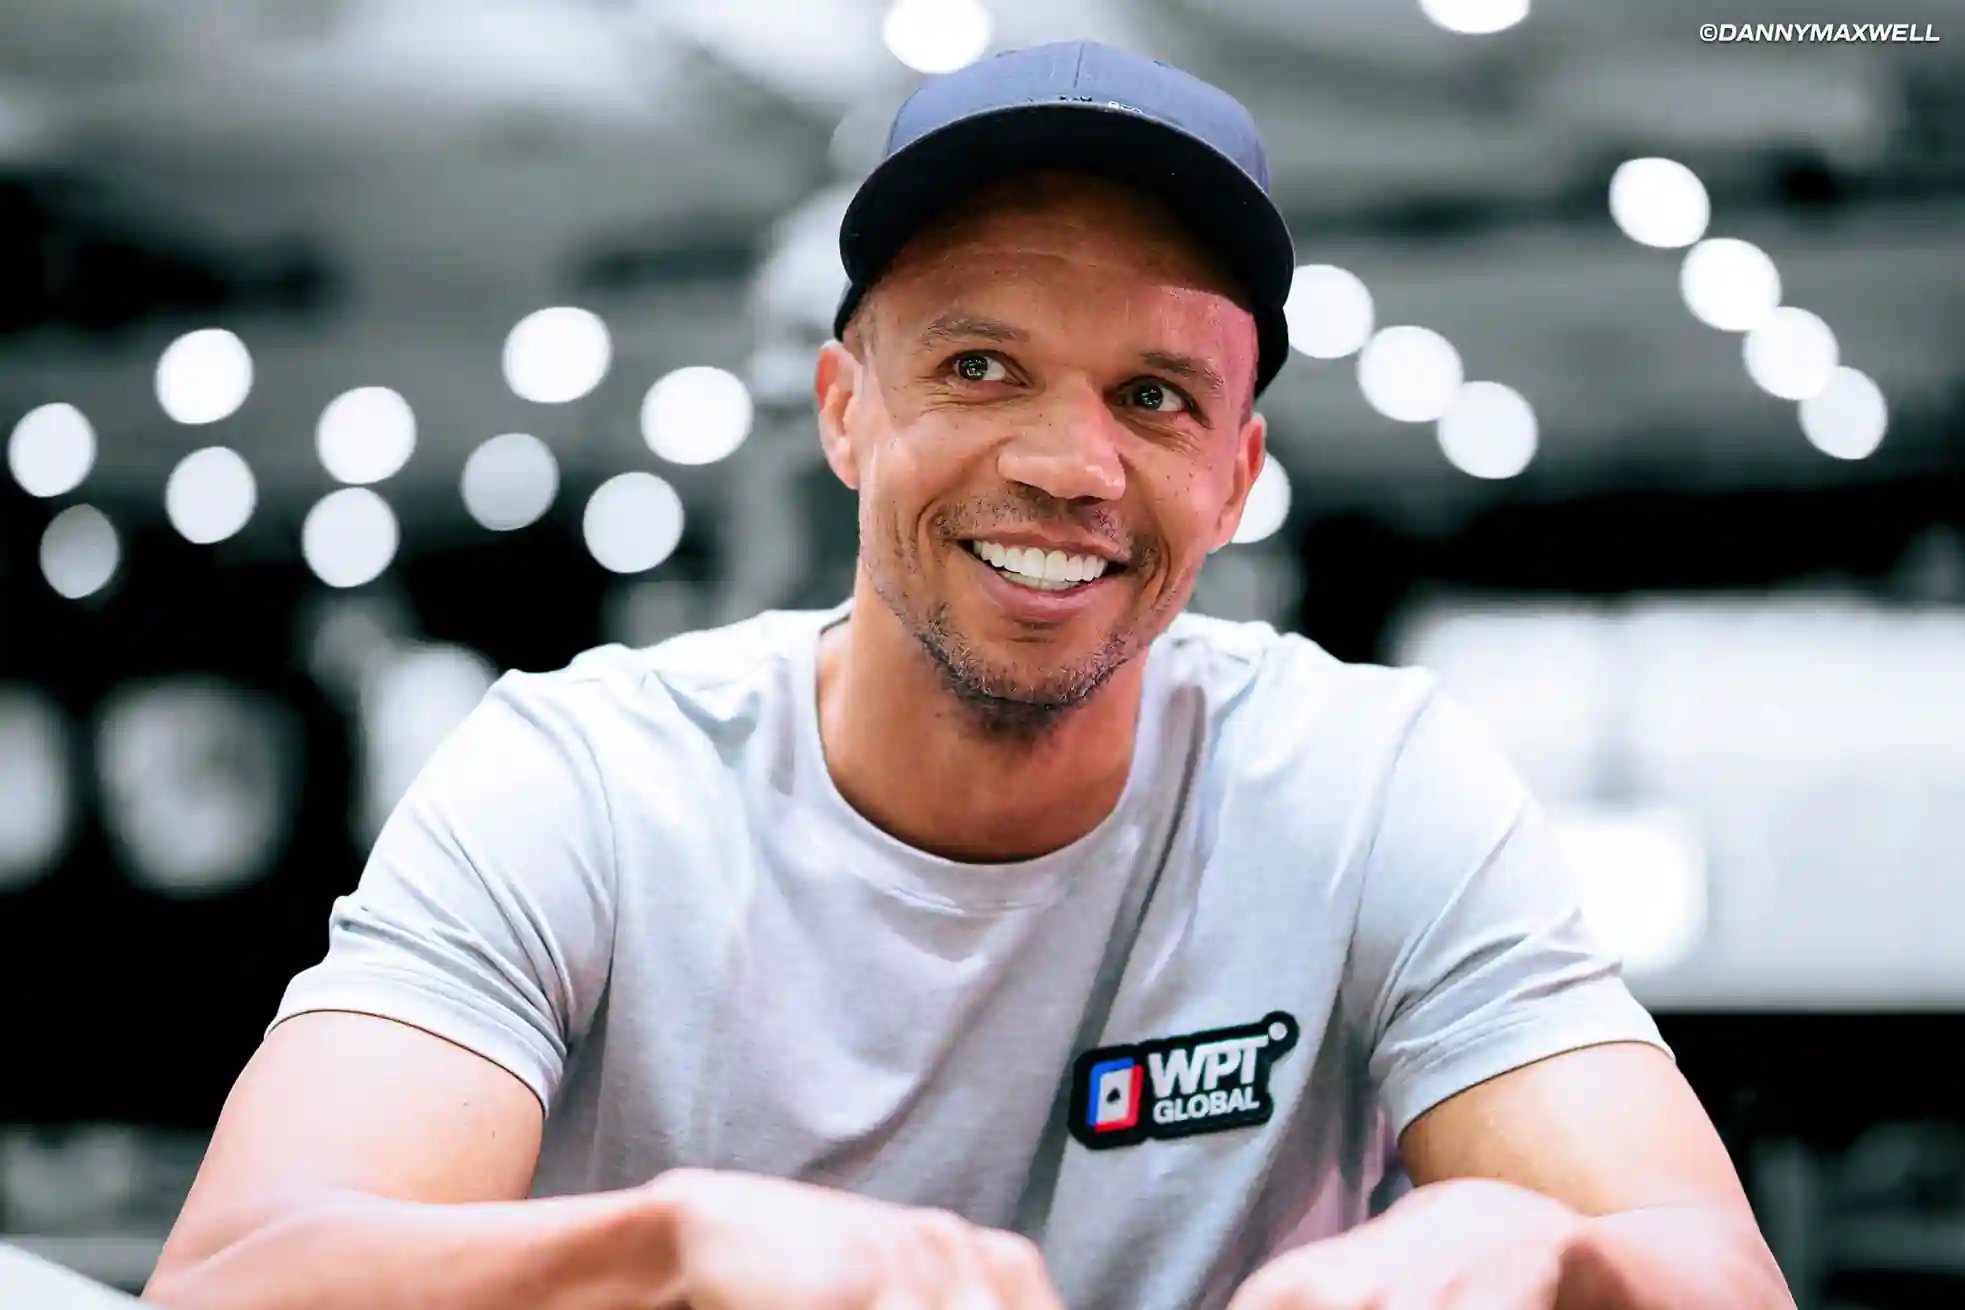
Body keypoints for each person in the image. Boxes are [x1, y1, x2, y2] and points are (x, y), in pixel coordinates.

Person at [146, 41, 1793, 1310]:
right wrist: (661, 1244)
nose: (1069, 463)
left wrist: (1548, 1250)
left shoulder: (1361, 783)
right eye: (980, 364)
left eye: (1153, 396)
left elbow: (1716, 1271)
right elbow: (226, 1283)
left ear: (1234, 476)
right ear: (843, 411)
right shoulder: (583, 780)